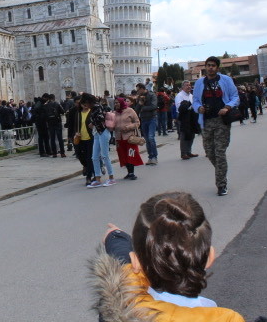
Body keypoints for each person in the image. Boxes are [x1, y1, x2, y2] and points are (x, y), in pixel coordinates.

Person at [91, 191, 246, 321]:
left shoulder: (121, 307)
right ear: (210, 257)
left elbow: (124, 266)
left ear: (135, 262)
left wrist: (116, 238)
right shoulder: (228, 318)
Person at [192, 56, 239, 196]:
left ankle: (221, 184)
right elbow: (195, 100)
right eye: (208, 65)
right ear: (205, 67)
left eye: (213, 65)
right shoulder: (200, 82)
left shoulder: (225, 80)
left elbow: (235, 97)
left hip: (221, 121)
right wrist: (198, 107)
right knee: (210, 152)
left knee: (219, 152)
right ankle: (221, 172)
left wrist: (227, 107)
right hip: (206, 121)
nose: (210, 67)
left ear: (217, 68)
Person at [87, 94, 115, 188]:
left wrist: (92, 123)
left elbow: (101, 119)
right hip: (97, 133)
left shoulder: (97, 107)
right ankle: (97, 178)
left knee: (104, 156)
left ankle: (111, 177)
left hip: (103, 132)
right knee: (94, 156)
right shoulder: (93, 108)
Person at [113, 97, 143, 180]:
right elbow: (112, 124)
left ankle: (132, 173)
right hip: (119, 138)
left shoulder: (130, 111)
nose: (116, 104)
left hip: (129, 137)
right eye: (115, 103)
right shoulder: (114, 113)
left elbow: (137, 122)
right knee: (123, 155)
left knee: (131, 154)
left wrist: (128, 127)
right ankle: (128, 172)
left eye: (117, 103)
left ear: (121, 103)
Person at [75, 93, 96, 185]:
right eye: (83, 104)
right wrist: (75, 133)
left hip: (90, 138)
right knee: (79, 155)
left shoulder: (92, 112)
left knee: (89, 157)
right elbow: (75, 125)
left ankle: (89, 176)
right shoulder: (78, 114)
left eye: (86, 103)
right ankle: (89, 169)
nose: (85, 105)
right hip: (81, 138)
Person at [135, 83, 159, 165]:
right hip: (144, 119)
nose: (137, 92)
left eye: (138, 90)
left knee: (151, 137)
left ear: (142, 88)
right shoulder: (139, 98)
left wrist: (143, 108)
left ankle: (155, 157)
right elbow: (136, 111)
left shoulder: (152, 95)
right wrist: (139, 104)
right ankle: (150, 157)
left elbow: (154, 106)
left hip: (152, 118)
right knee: (147, 139)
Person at [175, 80, 199, 160]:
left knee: (191, 133)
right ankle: (183, 153)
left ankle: (189, 151)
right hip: (183, 116)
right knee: (184, 134)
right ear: (182, 87)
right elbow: (179, 107)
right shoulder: (179, 96)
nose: (189, 86)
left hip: (191, 115)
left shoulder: (191, 95)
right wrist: (188, 106)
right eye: (187, 85)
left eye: (189, 85)